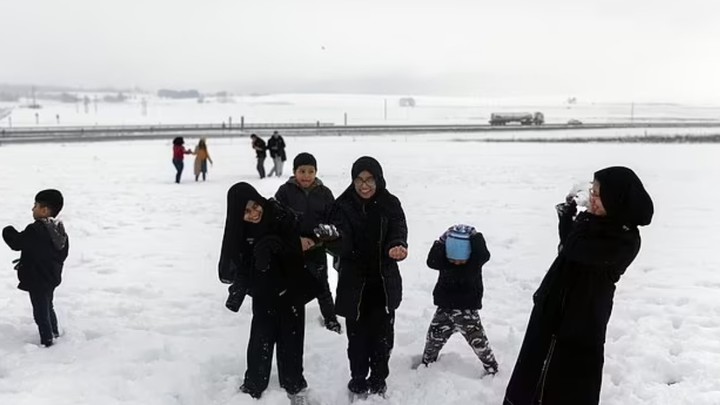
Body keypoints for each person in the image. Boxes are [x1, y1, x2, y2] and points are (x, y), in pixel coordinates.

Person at [503, 166, 654, 405]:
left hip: (582, 318)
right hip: (553, 307)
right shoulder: (594, 223)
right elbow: (568, 247)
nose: (591, 199)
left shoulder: (625, 239)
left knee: (568, 377)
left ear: (615, 199)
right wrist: (568, 216)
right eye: (591, 191)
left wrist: (578, 219)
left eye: (597, 194)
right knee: (533, 369)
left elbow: (575, 249)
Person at [218, 182, 320, 404]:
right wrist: (238, 291)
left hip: (291, 291)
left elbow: (299, 255)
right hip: (264, 294)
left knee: (291, 342)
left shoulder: (282, 217)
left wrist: (277, 247)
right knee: (260, 341)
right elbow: (242, 265)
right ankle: (254, 385)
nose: (254, 213)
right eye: (246, 211)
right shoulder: (242, 232)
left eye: (255, 206)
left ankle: (294, 386)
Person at [316, 156, 408, 398]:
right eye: (359, 180)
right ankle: (358, 378)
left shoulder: (390, 203)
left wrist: (397, 245)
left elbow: (398, 229)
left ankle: (379, 379)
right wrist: (332, 238)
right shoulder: (343, 204)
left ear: (378, 179)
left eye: (369, 179)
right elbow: (341, 244)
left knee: (383, 338)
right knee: (356, 339)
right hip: (354, 285)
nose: (364, 185)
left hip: (383, 283)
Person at [416, 224, 499, 375]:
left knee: (479, 342)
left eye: (460, 260)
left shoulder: (474, 262)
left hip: (468, 313)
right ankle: (427, 363)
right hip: (444, 310)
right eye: (453, 259)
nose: (456, 263)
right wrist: (441, 242)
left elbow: (483, 254)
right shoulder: (444, 262)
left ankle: (491, 366)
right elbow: (431, 261)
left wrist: (475, 236)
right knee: (433, 338)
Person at [275, 152, 341, 333]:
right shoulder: (285, 192)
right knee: (289, 286)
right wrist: (296, 240)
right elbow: (276, 220)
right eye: (302, 171)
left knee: (322, 285)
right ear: (294, 172)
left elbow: (333, 221)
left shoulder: (325, 193)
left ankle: (330, 318)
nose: (306, 176)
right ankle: (288, 317)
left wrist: (315, 239)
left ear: (316, 172)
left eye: (310, 171)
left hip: (316, 249)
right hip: (292, 250)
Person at [2, 189, 69, 347]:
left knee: (40, 311)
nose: (32, 209)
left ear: (44, 210)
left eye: (35, 205)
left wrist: (7, 230)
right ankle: (54, 332)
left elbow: (17, 243)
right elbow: (59, 253)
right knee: (48, 305)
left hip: (37, 279)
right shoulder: (59, 229)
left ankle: (47, 341)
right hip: (51, 277)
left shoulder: (35, 229)